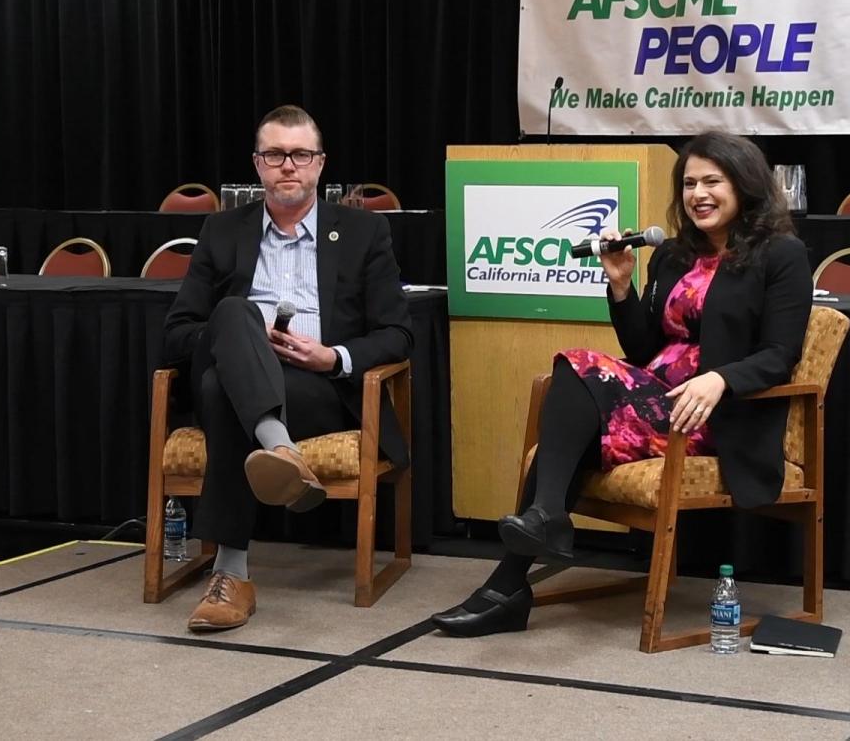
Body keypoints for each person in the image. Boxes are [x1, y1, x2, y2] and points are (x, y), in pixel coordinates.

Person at [431, 131, 811, 637]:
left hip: (716, 413)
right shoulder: (675, 255)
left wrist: (719, 379)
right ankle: (524, 555)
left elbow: (778, 356)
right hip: (659, 399)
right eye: (689, 183)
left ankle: (511, 579)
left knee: (578, 382)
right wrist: (620, 284)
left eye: (712, 181)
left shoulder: (781, 255)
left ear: (744, 183)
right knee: (572, 391)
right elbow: (644, 351)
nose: (698, 194)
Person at [164, 104, 412, 632]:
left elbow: (398, 333)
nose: (288, 166)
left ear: (320, 163)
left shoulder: (365, 233)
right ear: (257, 165)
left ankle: (233, 576)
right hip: (237, 368)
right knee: (234, 313)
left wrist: (334, 356)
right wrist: (241, 338)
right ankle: (280, 449)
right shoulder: (222, 230)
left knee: (216, 389)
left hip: (317, 387)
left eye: (300, 154)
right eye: (275, 155)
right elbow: (178, 331)